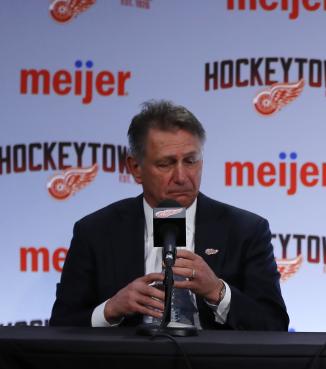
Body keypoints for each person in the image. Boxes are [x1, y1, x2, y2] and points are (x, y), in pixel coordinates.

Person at [50, 100, 288, 331]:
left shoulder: (246, 230)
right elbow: (60, 328)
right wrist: (110, 310)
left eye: (191, 161)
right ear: (135, 168)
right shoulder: (95, 232)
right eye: (166, 164)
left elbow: (274, 326)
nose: (182, 176)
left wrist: (218, 292)